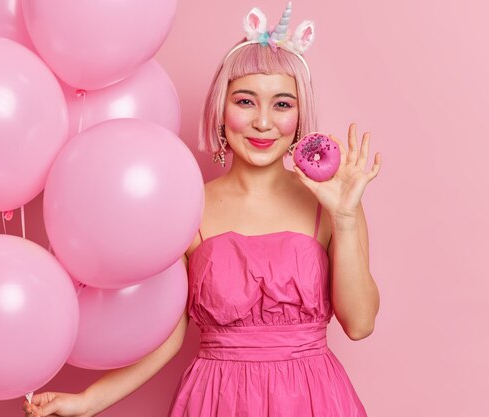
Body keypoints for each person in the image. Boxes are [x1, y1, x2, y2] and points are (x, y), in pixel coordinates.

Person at [23, 3, 381, 416]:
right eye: (246, 101)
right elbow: (168, 336)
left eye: (282, 104)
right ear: (221, 109)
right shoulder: (187, 204)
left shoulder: (333, 206)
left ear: (301, 117)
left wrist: (346, 219)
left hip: (313, 399)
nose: (263, 122)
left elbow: (360, 324)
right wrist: (88, 401)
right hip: (219, 400)